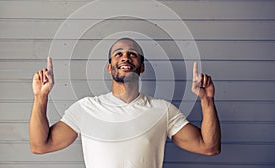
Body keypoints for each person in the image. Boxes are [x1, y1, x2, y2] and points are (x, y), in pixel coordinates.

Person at [30, 38, 221, 168]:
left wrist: (207, 100)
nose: (125, 57)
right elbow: (40, 146)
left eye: (133, 54)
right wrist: (41, 97)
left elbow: (209, 147)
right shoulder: (85, 108)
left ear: (142, 67)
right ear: (109, 67)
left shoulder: (163, 110)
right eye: (118, 53)